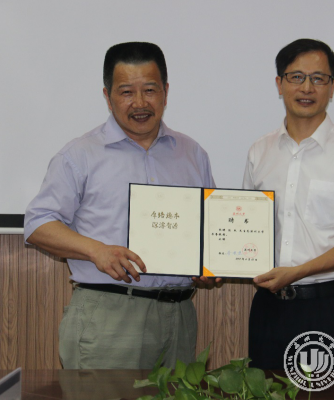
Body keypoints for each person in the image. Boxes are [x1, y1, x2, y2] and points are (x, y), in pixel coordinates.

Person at [25, 42, 217, 369]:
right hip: (109, 315)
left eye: (150, 90)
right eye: (126, 92)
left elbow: (210, 230)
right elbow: (38, 224)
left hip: (180, 315)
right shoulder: (80, 155)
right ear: (107, 95)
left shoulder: (192, 153)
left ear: (166, 92)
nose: (140, 103)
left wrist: (209, 267)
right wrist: (96, 251)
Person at [243, 39, 334, 370]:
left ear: (332, 87)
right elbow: (245, 229)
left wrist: (296, 272)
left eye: (318, 78)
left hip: (328, 309)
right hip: (268, 309)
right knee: (263, 390)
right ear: (279, 83)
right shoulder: (259, 152)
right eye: (296, 77)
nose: (306, 87)